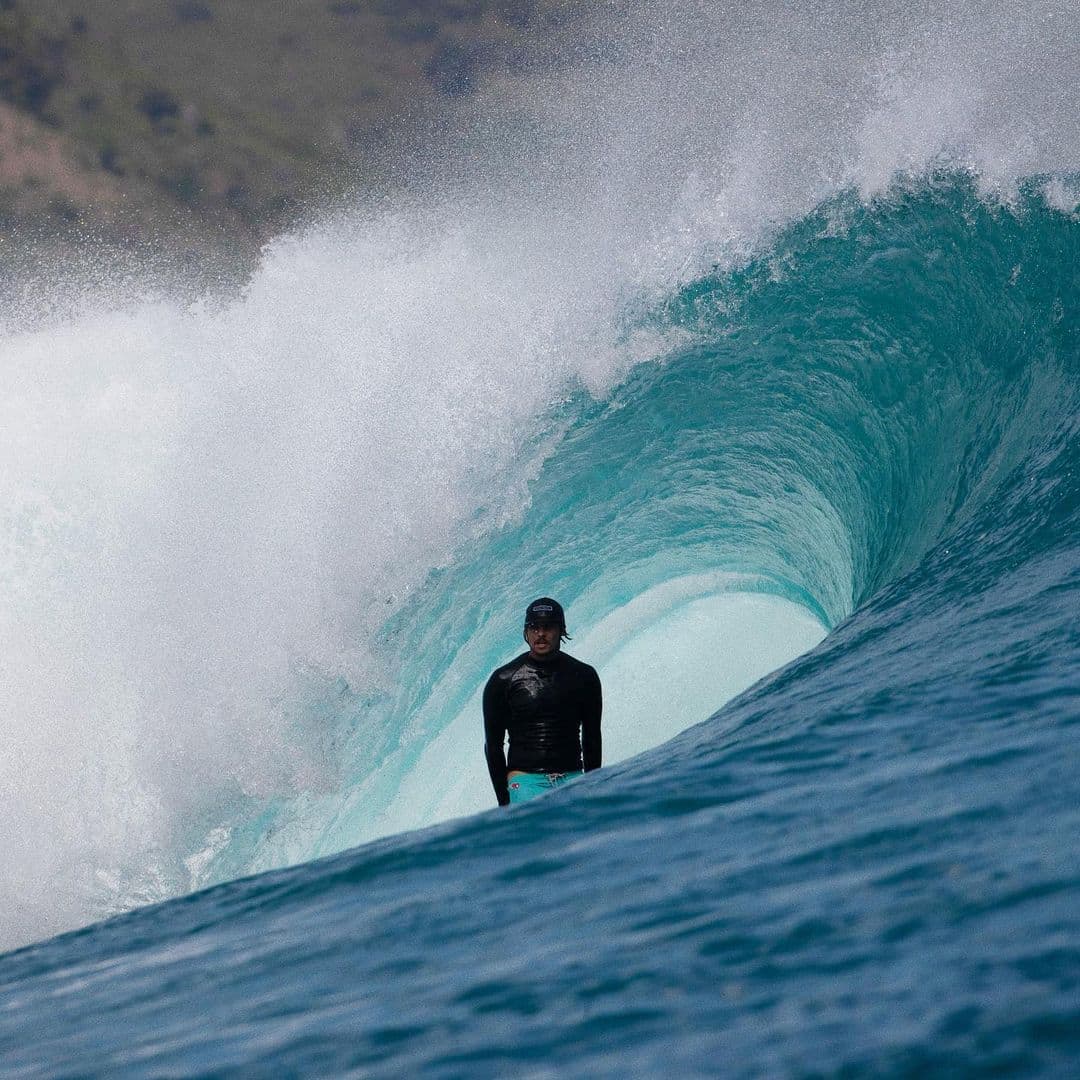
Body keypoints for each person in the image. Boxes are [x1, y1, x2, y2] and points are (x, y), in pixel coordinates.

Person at [483, 597, 602, 806]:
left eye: (548, 627)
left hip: (572, 777)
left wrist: (593, 786)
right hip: (525, 780)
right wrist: (504, 804)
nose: (540, 634)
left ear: (561, 630)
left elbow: (592, 737)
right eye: (534, 627)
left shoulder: (584, 676)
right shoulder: (502, 680)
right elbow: (493, 747)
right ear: (526, 632)